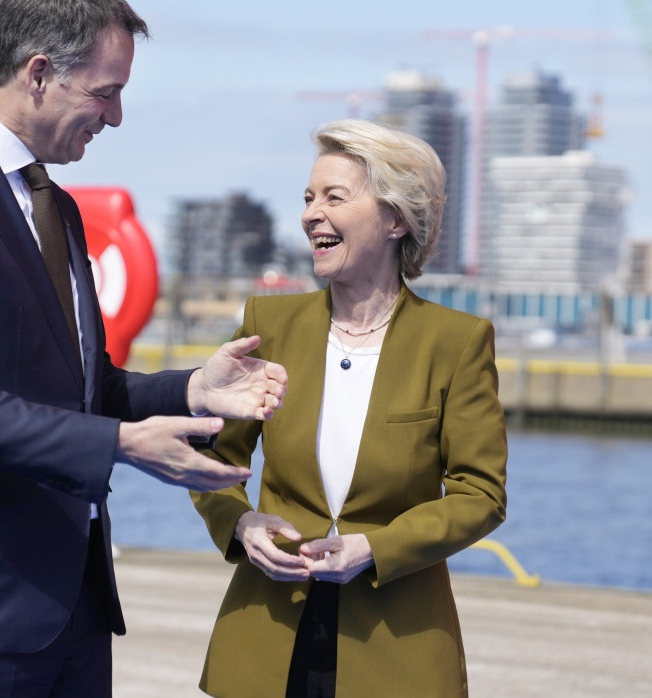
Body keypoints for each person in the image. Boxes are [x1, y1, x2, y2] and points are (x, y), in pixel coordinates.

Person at [0, 1, 288, 695]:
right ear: (38, 73)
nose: (116, 117)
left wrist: (194, 390)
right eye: (107, 92)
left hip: (69, 610)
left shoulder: (56, 206)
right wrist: (120, 445)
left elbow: (78, 386)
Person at [191, 119, 508, 698]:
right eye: (309, 198)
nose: (313, 213)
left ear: (395, 219)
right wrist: (238, 522)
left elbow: (480, 495)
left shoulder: (456, 342)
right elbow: (211, 458)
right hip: (265, 635)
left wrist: (376, 547)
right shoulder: (268, 326)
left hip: (398, 649)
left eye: (335, 197)